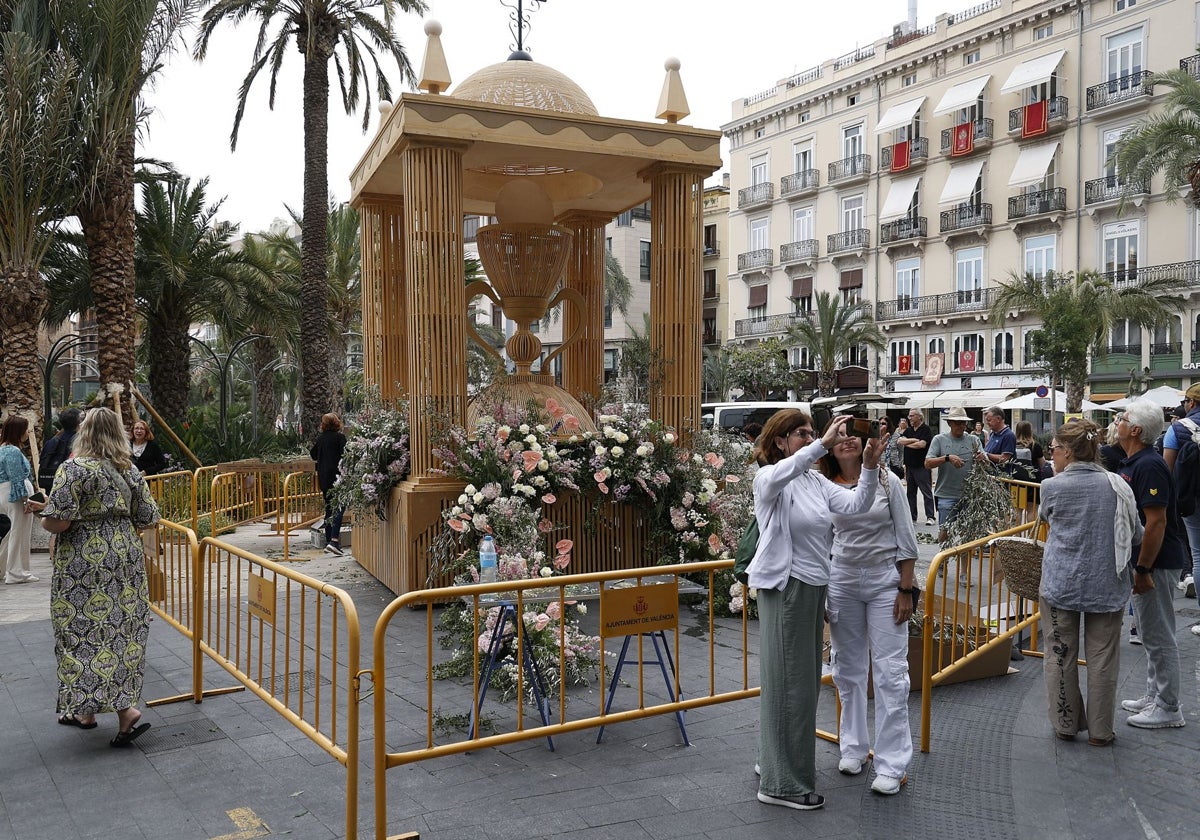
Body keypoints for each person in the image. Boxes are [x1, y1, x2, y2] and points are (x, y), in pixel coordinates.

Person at [746, 410, 885, 811]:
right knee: (793, 684)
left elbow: (857, 504)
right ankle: (782, 784)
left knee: (793, 681)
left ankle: (771, 762)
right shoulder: (770, 478)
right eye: (801, 434)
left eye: (811, 433)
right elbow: (778, 475)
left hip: (810, 588)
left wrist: (871, 466)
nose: (810, 439)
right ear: (780, 442)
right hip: (788, 587)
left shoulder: (814, 480)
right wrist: (822, 445)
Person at [39, 407, 160, 746]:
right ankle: (121, 711)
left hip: (82, 561)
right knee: (120, 632)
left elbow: (58, 522)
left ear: (84, 432)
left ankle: (86, 711)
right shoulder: (129, 469)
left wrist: (44, 514)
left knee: (80, 630)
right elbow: (149, 516)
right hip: (124, 557)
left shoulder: (73, 468)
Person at [821, 432, 917, 795]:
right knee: (847, 668)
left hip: (883, 581)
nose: (847, 441)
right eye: (839, 436)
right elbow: (822, 538)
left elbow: (907, 535)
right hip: (842, 579)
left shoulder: (885, 479)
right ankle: (854, 746)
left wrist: (905, 588)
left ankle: (893, 763)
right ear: (829, 444)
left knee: (892, 673)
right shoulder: (825, 483)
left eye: (853, 435)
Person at [1039, 420, 1142, 745]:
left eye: (1054, 449)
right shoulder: (1117, 484)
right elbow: (1137, 533)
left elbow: (1045, 518)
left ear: (1067, 452)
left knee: (1059, 653)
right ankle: (1100, 731)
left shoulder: (1051, 486)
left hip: (1061, 584)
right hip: (1107, 584)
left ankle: (1065, 724)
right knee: (1102, 657)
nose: (1051, 455)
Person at [1115, 399, 1187, 729]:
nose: (1117, 422)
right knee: (1149, 632)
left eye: (1123, 418)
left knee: (1159, 635)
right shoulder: (1137, 462)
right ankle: (1154, 695)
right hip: (1149, 561)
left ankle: (1168, 705)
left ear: (1136, 430)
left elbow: (1156, 522)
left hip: (1157, 563)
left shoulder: (1149, 465)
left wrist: (1143, 569)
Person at [1160, 387, 1199, 600]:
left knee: (1198, 554)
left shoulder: (1178, 429)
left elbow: (1167, 469)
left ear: (1191, 403)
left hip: (1190, 499)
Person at [926, 407, 984, 543]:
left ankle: (964, 565)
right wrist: (947, 458)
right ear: (949, 423)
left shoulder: (973, 440)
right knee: (945, 532)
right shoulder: (939, 439)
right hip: (946, 495)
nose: (962, 426)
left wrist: (982, 459)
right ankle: (941, 563)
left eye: (963, 423)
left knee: (967, 535)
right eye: (958, 422)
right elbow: (927, 463)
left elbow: (984, 462)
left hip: (969, 496)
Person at [0, 415, 40, 584]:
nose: (28, 432)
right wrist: (25, 500)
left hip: (8, 493)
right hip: (14, 496)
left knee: (12, 533)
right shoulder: (12, 451)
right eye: (25, 429)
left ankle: (6, 568)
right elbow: (16, 477)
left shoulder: (4, 448)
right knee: (18, 532)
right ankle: (16, 572)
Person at [311, 413, 348, 555]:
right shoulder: (340, 438)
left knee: (329, 509)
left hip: (324, 478)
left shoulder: (321, 439)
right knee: (339, 507)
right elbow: (346, 455)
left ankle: (328, 542)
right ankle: (334, 540)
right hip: (337, 478)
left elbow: (313, 454)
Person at [899, 409, 935, 526]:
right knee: (910, 493)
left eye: (912, 416)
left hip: (922, 466)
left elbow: (922, 444)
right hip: (909, 466)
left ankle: (930, 516)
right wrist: (914, 440)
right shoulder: (909, 430)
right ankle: (912, 517)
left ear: (920, 417)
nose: (909, 418)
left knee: (926, 492)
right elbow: (900, 441)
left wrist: (908, 443)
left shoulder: (926, 429)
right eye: (909, 416)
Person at [39, 408, 82, 493]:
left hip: (51, 485)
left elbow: (42, 461)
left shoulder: (50, 442)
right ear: (79, 423)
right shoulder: (80, 443)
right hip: (72, 488)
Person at [982, 406, 1017, 471]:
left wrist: (985, 455)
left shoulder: (1008, 435)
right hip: (990, 475)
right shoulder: (993, 433)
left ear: (998, 419)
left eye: (989, 420)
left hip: (1001, 477)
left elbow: (1004, 459)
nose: (986, 423)